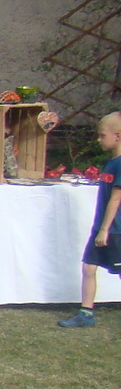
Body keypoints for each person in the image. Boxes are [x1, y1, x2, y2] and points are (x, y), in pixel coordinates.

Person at [56, 111, 121, 328]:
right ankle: (86, 313)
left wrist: (104, 229)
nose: (98, 140)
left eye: (102, 135)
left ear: (118, 136)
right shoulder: (110, 162)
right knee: (89, 267)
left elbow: (116, 199)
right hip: (101, 228)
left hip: (115, 230)